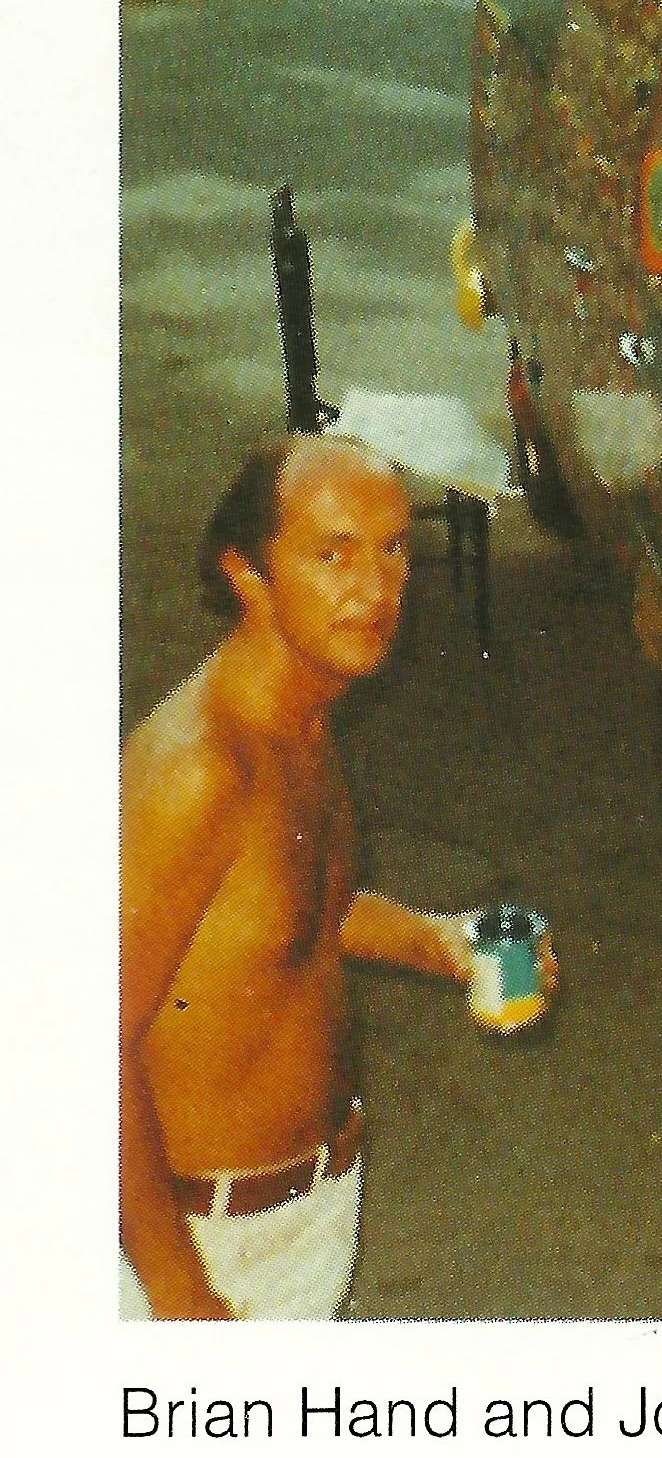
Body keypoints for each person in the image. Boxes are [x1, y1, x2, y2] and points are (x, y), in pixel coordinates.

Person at [119, 434, 549, 1320]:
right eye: (333, 554)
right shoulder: (200, 769)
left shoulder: (306, 719)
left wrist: (439, 943)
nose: (376, 589)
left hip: (311, 1208)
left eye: (393, 549)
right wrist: (176, 1290)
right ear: (248, 575)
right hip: (206, 1246)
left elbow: (305, 909)